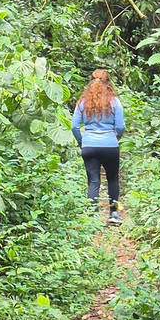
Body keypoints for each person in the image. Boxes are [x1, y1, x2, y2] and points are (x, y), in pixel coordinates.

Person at [71, 69, 125, 224]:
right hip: (110, 145)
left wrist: (82, 142)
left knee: (93, 181)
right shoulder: (114, 102)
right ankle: (114, 214)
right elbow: (120, 126)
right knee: (112, 179)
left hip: (89, 145)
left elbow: (74, 126)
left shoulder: (83, 102)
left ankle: (92, 216)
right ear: (108, 83)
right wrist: (116, 137)